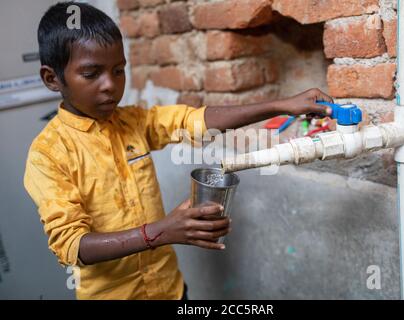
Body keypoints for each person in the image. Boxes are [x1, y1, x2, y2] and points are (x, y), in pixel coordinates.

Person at [23, 2, 333, 300]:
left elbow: (193, 120)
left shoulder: (134, 121)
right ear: (52, 79)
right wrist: (160, 232)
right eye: (92, 74)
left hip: (170, 289)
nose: (110, 85)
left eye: (119, 71)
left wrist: (282, 104)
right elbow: (73, 246)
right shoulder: (48, 155)